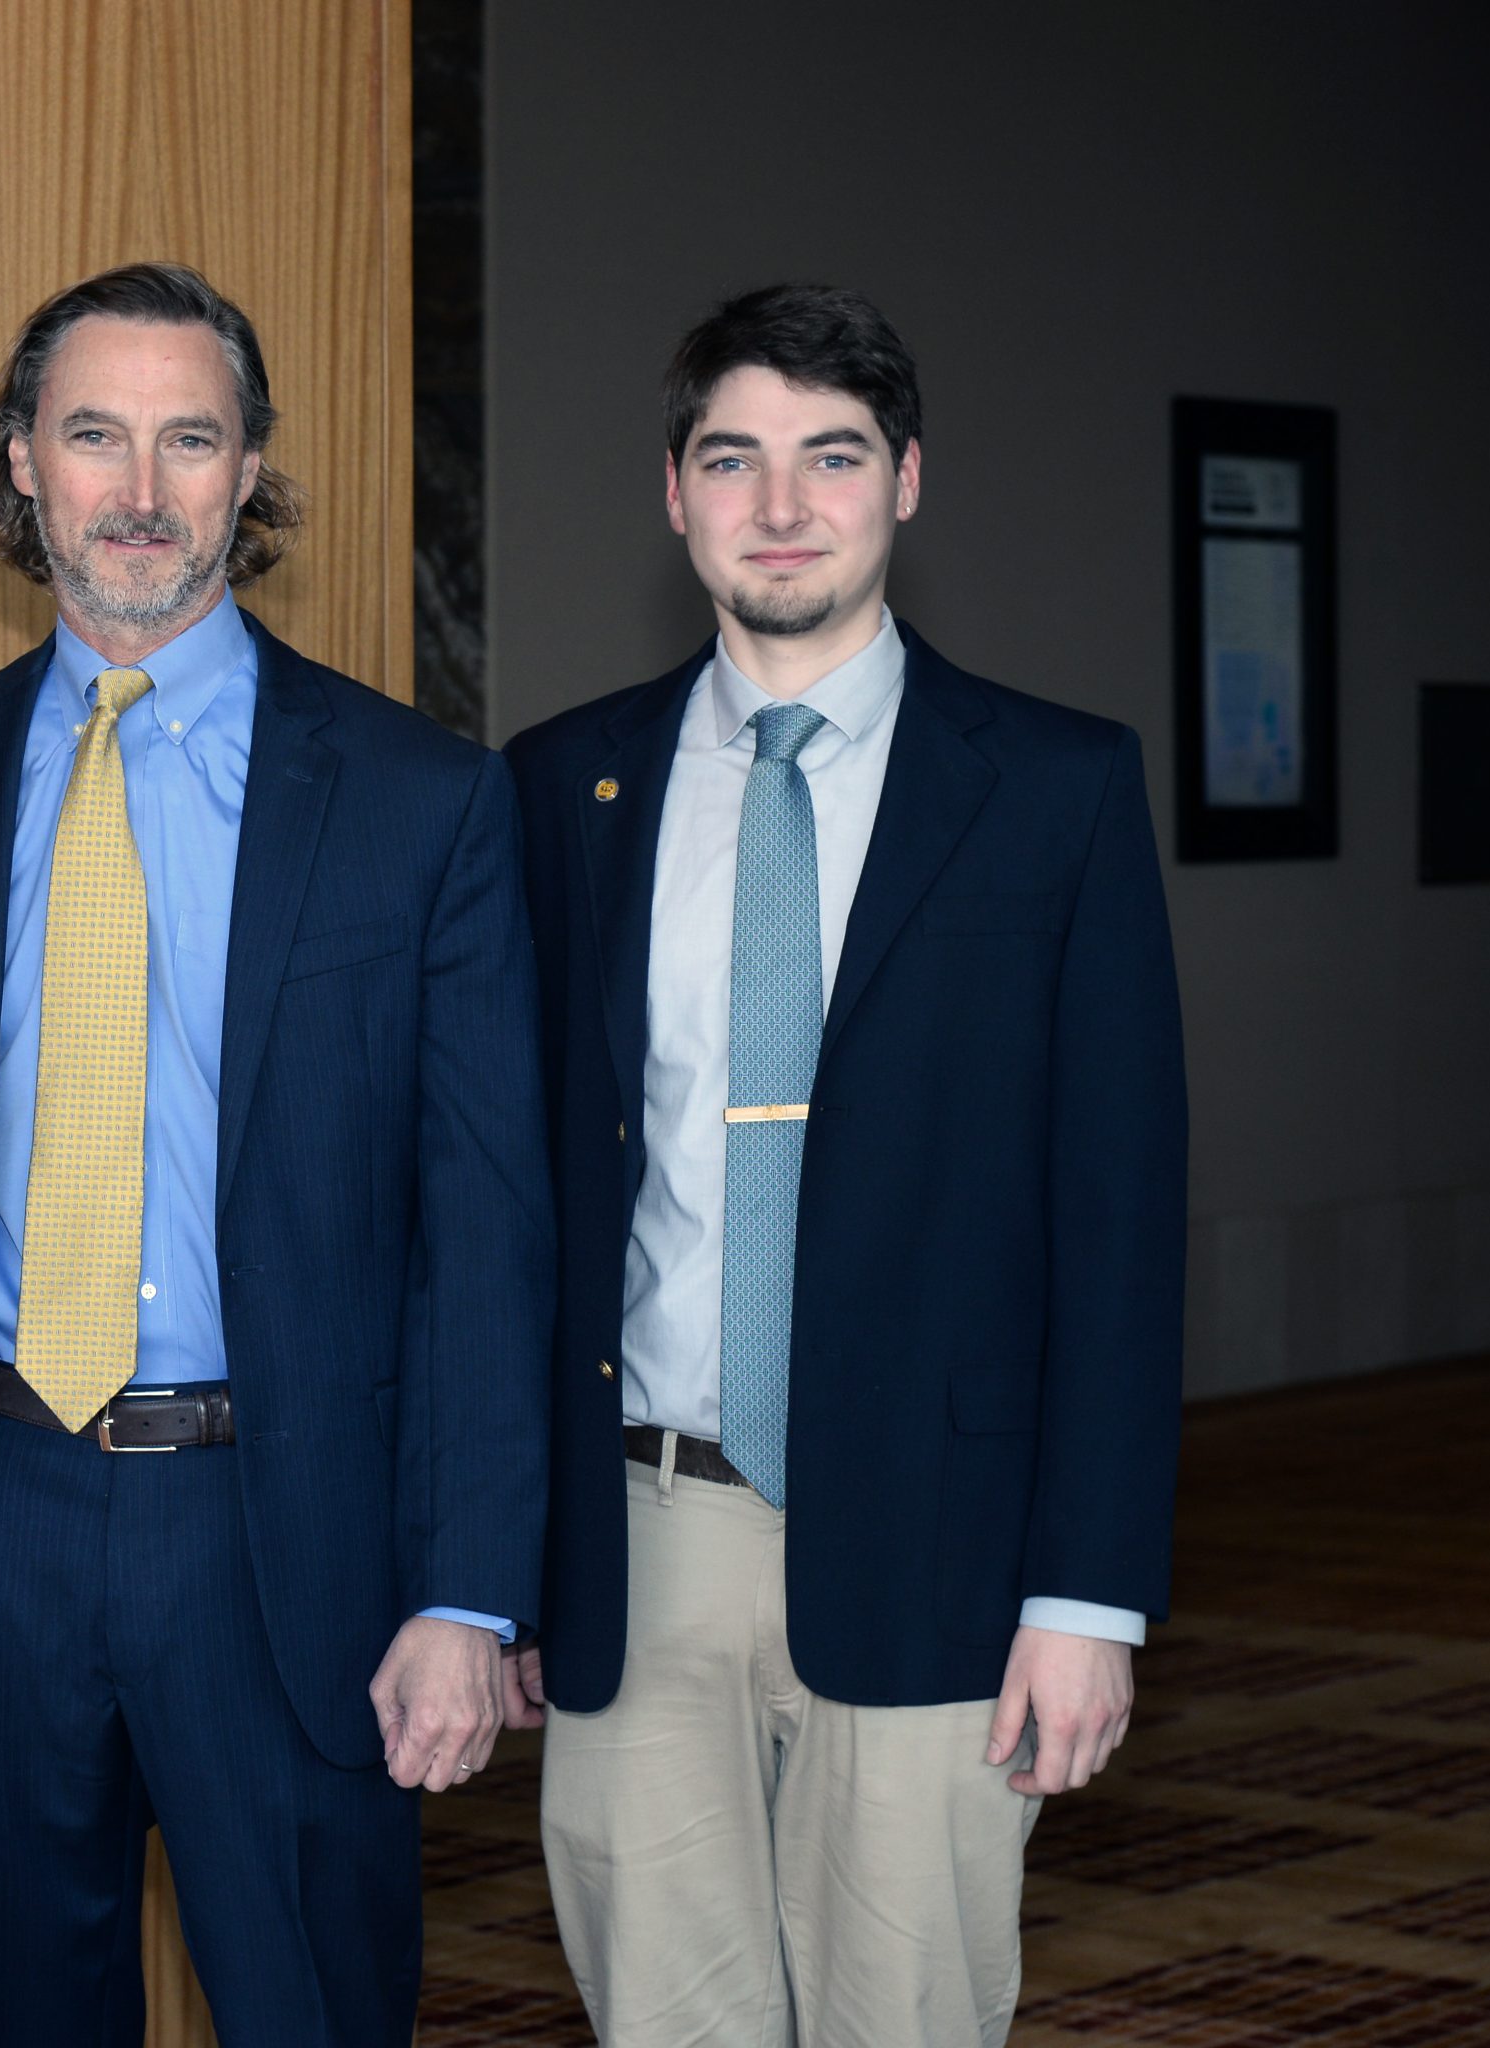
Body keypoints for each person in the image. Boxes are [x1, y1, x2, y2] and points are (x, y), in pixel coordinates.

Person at [503, 285, 1187, 2047]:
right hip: (640, 1539)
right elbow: (514, 1210)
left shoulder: (1055, 789)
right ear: (675, 492)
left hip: (940, 1544)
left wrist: (1088, 1596)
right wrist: (497, 1562)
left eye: (833, 456)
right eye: (735, 459)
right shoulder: (563, 787)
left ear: (906, 482)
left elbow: (1119, 1228)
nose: (783, 505)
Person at [0, 261, 551, 2045]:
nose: (140, 489)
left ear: (249, 471)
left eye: (190, 440)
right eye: (93, 435)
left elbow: (489, 1233)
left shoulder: (420, 801)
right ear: (22, 463)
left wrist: (470, 1592)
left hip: (283, 1533)